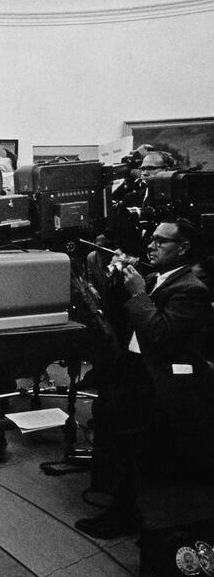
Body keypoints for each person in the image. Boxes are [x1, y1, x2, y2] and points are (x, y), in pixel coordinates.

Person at [75, 219, 214, 539]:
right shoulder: (155, 277)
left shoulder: (192, 290)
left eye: (161, 241)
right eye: (150, 239)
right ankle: (121, 505)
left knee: (134, 447)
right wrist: (114, 282)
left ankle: (125, 514)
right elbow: (122, 319)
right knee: (116, 433)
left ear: (183, 248)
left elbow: (159, 334)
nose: (151, 246)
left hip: (163, 382)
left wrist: (138, 292)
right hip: (136, 370)